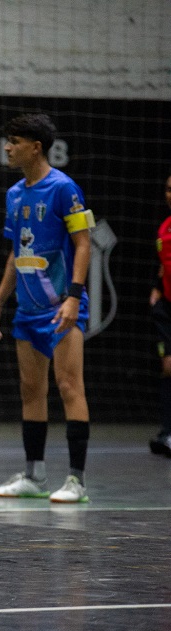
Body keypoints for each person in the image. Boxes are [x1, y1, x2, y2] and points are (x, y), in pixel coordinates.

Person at [0, 113, 94, 504]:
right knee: (32, 390)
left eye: (14, 141)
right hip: (27, 310)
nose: (8, 147)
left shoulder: (64, 189)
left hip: (62, 307)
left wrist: (74, 296)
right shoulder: (14, 194)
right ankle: (34, 476)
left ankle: (77, 481)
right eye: (7, 140)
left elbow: (83, 243)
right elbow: (17, 252)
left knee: (69, 387)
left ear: (36, 147)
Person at [148, 173, 171, 457]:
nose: (170, 195)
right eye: (167, 189)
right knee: (168, 367)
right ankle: (167, 432)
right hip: (167, 306)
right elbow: (165, 266)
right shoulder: (164, 228)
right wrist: (156, 289)